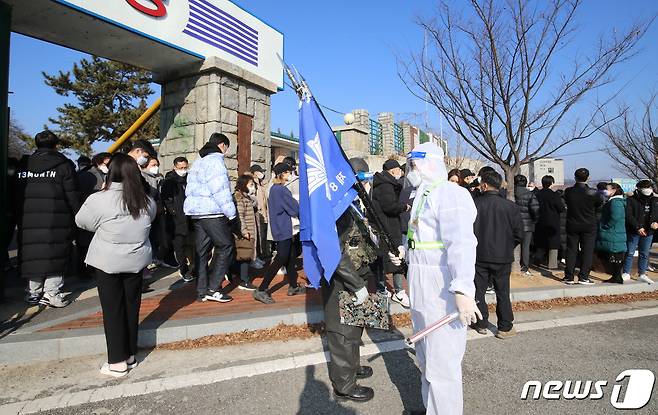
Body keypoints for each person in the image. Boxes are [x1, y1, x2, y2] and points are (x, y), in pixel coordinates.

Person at [389, 142, 481, 415]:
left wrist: (463, 289)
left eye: (413, 165)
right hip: (420, 285)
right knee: (426, 357)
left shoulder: (451, 194)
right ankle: (431, 409)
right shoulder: (422, 196)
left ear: (428, 163)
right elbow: (428, 239)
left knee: (443, 362)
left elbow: (461, 243)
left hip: (443, 288)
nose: (410, 171)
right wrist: (406, 252)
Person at [75, 153, 157, 378]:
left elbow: (82, 222)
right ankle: (130, 355)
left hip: (107, 261)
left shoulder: (98, 199)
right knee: (132, 307)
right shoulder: (146, 201)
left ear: (110, 174)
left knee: (112, 311)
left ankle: (117, 362)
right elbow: (152, 218)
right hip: (136, 260)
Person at [325, 157, 379, 403]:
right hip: (343, 278)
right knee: (343, 332)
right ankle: (344, 386)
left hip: (359, 272)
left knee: (356, 327)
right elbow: (333, 251)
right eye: (363, 178)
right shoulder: (336, 205)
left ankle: (351, 368)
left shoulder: (353, 202)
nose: (367, 184)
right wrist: (356, 284)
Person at [15, 130, 80, 307]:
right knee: (55, 253)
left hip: (27, 217)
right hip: (56, 217)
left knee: (32, 254)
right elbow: (72, 194)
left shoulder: (24, 165)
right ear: (55, 144)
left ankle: (32, 292)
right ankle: (51, 292)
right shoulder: (63, 165)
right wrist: (78, 214)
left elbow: (16, 193)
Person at [183, 133, 235, 303]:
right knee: (226, 246)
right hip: (212, 212)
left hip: (197, 213)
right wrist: (231, 212)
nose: (226, 151)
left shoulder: (198, 162)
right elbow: (219, 189)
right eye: (226, 147)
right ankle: (213, 288)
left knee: (202, 251)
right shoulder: (215, 161)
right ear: (221, 145)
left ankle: (201, 290)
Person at [472, 170, 522, 340]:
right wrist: (508, 246)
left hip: (478, 255)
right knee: (503, 292)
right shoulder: (511, 207)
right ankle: (505, 327)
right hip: (502, 255)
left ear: (484, 185)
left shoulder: (474, 205)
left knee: (478, 290)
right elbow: (519, 234)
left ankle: (480, 323)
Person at [253, 163, 303, 304]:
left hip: (278, 227)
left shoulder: (273, 189)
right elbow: (294, 208)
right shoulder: (281, 190)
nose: (290, 175)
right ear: (281, 174)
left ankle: (293, 286)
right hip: (284, 228)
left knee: (289, 257)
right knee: (281, 258)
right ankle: (262, 289)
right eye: (287, 172)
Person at [371, 158, 410, 307]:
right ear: (393, 170)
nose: (401, 172)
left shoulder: (379, 183)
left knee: (382, 260)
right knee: (397, 259)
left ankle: (383, 290)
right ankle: (399, 292)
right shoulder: (386, 185)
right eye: (399, 170)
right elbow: (389, 206)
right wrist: (404, 207)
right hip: (389, 227)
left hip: (382, 227)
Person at [563, 168, 603, 285]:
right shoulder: (593, 192)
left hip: (572, 224)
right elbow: (599, 205)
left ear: (575, 177)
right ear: (588, 178)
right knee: (587, 251)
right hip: (589, 225)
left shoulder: (569, 191)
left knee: (571, 250)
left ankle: (569, 276)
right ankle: (584, 276)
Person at [76, 152, 111, 278]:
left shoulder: (105, 174)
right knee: (86, 244)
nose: (108, 165)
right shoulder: (88, 175)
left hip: (102, 214)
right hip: (91, 213)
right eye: (106, 163)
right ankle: (85, 270)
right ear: (98, 162)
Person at [160, 156, 193, 281]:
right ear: (175, 167)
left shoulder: (189, 179)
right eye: (181, 168)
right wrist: (174, 212)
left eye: (185, 167)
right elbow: (167, 201)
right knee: (179, 247)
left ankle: (192, 267)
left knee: (190, 245)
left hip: (189, 217)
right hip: (176, 220)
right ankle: (184, 270)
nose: (183, 170)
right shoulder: (169, 181)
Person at [622, 180, 657, 285]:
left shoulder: (655, 200)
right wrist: (638, 227)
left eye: (649, 187)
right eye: (645, 187)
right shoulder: (631, 200)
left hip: (649, 231)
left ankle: (642, 273)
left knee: (644, 253)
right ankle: (626, 272)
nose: (648, 189)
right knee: (630, 252)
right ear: (639, 188)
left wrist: (656, 223)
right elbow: (629, 215)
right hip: (634, 231)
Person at [232, 174, 259, 291]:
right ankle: (245, 281)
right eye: (251, 185)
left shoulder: (246, 197)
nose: (253, 187)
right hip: (246, 232)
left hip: (248, 231)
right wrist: (244, 231)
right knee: (245, 256)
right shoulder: (240, 198)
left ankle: (238, 275)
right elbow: (240, 216)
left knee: (244, 255)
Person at [596, 183, 627, 284]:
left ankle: (617, 276)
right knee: (615, 255)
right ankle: (616, 276)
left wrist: (606, 226)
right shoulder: (616, 201)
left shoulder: (615, 202)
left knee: (616, 255)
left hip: (614, 231)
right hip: (616, 232)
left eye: (607, 188)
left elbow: (615, 217)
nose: (605, 190)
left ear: (614, 190)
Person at [533, 175, 565, 269]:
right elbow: (561, 208)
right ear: (552, 183)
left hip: (539, 221)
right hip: (553, 222)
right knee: (553, 244)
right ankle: (552, 264)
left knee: (540, 242)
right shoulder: (554, 195)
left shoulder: (537, 194)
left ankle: (537, 260)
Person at [514, 174, 539, 275]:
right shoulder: (530, 194)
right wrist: (534, 221)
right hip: (527, 225)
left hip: (512, 224)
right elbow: (535, 210)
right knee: (525, 247)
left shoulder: (509, 192)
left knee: (511, 245)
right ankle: (525, 267)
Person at [249, 164, 269, 267]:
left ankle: (259, 257)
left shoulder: (261, 185)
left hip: (263, 214)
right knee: (256, 238)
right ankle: (254, 259)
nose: (262, 173)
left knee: (261, 238)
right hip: (257, 214)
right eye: (259, 172)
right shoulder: (252, 185)